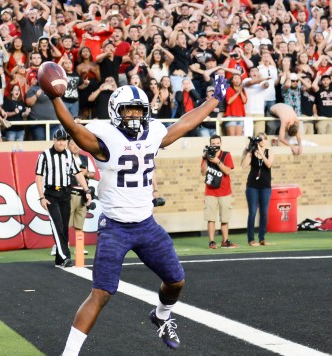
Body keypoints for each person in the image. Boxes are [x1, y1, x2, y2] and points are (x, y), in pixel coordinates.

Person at [44, 70, 230, 353]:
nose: (133, 116)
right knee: (101, 293)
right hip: (115, 227)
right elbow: (72, 128)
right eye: (128, 110)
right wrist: (56, 98)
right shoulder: (104, 137)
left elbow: (184, 123)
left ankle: (161, 316)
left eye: (138, 111)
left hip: (146, 225)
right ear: (115, 112)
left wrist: (213, 101)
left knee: (176, 280)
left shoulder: (153, 131)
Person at [35, 128, 89, 268]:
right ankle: (65, 256)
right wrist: (41, 197)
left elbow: (77, 173)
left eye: (63, 140)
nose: (61, 143)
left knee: (64, 227)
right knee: (57, 225)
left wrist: (87, 190)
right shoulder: (45, 155)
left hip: (66, 194)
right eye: (59, 140)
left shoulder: (69, 155)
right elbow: (38, 177)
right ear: (54, 140)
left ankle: (59, 258)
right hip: (52, 194)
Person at [201, 134, 237, 249]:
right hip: (210, 191)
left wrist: (217, 161)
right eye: (213, 144)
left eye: (217, 143)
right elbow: (202, 172)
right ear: (210, 144)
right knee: (211, 218)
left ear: (221, 144)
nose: (215, 146)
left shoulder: (226, 155)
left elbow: (227, 171)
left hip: (225, 192)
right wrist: (205, 158)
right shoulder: (207, 155)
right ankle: (211, 241)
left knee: (225, 218)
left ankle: (225, 241)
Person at [241, 132, 274, 246]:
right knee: (253, 212)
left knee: (264, 212)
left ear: (266, 140)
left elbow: (269, 164)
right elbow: (243, 166)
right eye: (259, 139)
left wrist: (261, 152)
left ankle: (262, 238)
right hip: (252, 186)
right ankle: (251, 239)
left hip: (265, 186)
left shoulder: (269, 151)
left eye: (263, 139)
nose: (261, 141)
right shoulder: (252, 152)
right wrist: (249, 150)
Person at [68, 137, 93, 256]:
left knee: (80, 222)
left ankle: (79, 247)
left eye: (77, 143)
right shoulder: (65, 158)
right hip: (69, 193)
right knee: (64, 222)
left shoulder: (85, 158)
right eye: (72, 144)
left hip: (82, 194)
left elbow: (92, 173)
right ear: (68, 146)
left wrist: (86, 173)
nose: (75, 146)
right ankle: (61, 246)